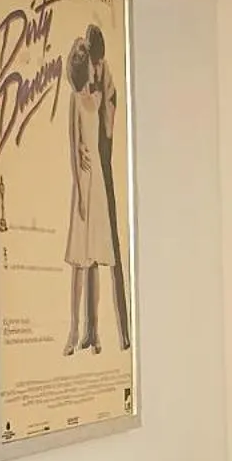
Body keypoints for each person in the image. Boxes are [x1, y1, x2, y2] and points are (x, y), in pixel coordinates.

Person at [62, 32, 125, 355]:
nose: (89, 66)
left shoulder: (97, 99)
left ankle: (95, 331)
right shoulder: (75, 102)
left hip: (97, 179)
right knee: (79, 262)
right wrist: (81, 193)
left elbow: (109, 127)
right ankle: (73, 330)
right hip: (84, 184)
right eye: (84, 61)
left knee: (97, 261)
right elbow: (74, 149)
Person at [83, 24, 131, 352]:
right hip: (92, 172)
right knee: (88, 251)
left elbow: (108, 123)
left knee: (111, 249)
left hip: (104, 167)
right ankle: (91, 330)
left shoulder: (106, 77)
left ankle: (124, 334)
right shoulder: (86, 74)